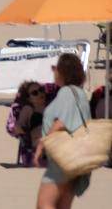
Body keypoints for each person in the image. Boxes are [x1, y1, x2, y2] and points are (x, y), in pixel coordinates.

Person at [34, 53, 93, 206]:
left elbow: (61, 123)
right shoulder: (80, 94)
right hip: (77, 159)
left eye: (56, 69)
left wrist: (41, 146)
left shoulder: (66, 93)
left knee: (44, 204)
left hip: (63, 160)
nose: (54, 72)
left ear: (64, 73)